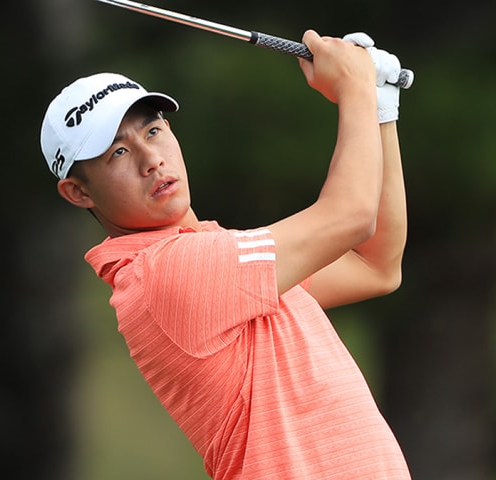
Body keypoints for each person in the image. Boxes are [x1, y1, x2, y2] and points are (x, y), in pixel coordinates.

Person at [39, 29, 410, 480]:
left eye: (153, 131)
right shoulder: (165, 274)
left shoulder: (225, 259)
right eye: (118, 152)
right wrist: (354, 87)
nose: (150, 159)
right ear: (78, 192)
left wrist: (379, 108)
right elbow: (351, 215)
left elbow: (375, 265)